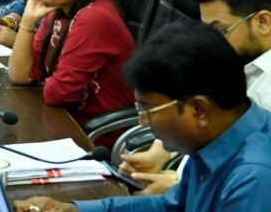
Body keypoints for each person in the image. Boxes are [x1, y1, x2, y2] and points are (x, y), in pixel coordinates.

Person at [15, 21, 271, 212]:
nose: (142, 122)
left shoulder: (254, 177)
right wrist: (74, 209)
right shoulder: (216, 137)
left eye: (147, 110)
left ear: (198, 109)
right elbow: (171, 205)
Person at [118, 0, 271, 195]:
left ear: (263, 22)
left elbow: (257, 184)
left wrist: (178, 190)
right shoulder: (229, 57)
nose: (211, 40)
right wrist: (160, 153)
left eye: (218, 30)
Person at [7, 0, 134, 133]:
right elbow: (20, 75)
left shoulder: (94, 17)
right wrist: (28, 20)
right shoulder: (59, 8)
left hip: (95, 133)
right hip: (62, 119)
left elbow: (58, 94)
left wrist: (48, 82)